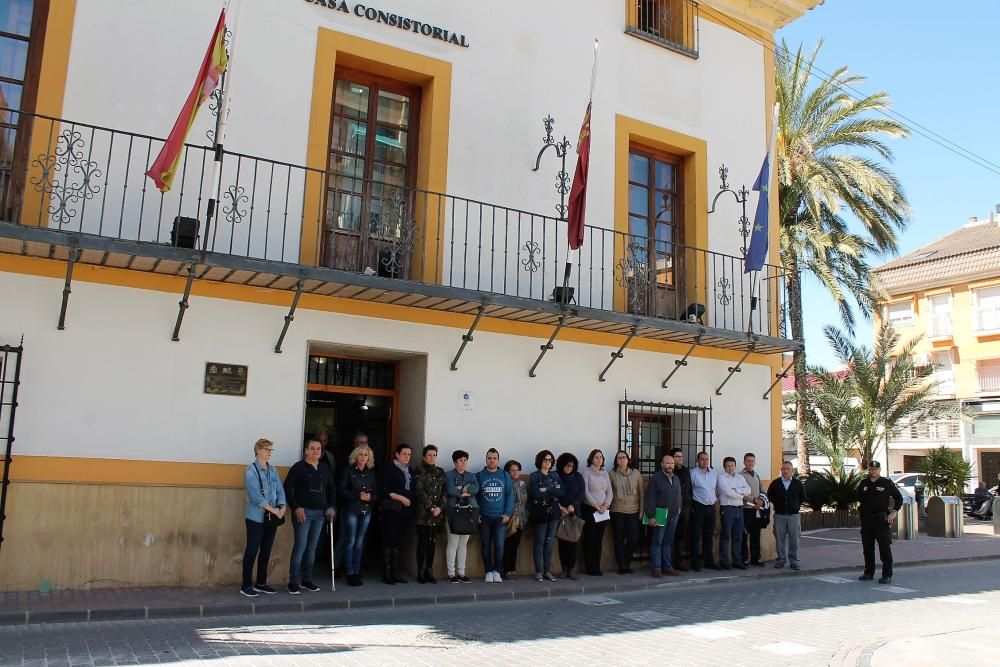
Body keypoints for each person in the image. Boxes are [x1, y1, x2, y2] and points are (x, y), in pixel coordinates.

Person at [284, 438, 337, 595]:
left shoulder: (325, 468)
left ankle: (307, 580)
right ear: (306, 451)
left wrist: (331, 506)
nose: (316, 451)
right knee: (300, 547)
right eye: (312, 448)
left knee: (312, 548)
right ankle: (293, 582)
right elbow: (287, 488)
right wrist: (296, 507)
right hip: (303, 513)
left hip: (320, 514)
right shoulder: (298, 467)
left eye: (318, 448)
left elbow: (331, 489)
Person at [240, 438, 286, 597]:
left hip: (271, 517)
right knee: (252, 551)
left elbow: (280, 490)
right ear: (258, 450)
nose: (269, 453)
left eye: (271, 450)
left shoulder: (273, 470)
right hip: (255, 518)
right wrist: (273, 510)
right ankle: (246, 585)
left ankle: (261, 582)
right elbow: (255, 497)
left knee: (266, 551)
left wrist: (282, 506)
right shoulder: (250, 471)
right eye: (267, 449)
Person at [858, 460, 903, 584]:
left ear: (879, 470)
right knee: (867, 548)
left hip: (881, 520)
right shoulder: (863, 483)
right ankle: (868, 572)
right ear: (869, 470)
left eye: (875, 469)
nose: (873, 471)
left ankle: (886, 574)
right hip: (867, 520)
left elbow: (898, 498)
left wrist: (894, 512)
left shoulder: (886, 483)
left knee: (884, 548)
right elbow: (860, 498)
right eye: (871, 469)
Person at [339, 443, 377, 587]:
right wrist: (357, 495)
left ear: (369, 458)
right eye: (360, 454)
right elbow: (342, 489)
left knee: (360, 542)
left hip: (366, 510)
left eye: (366, 455)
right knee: (350, 541)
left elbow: (376, 493)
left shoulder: (371, 473)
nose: (363, 457)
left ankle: (356, 570)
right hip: (351, 510)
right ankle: (349, 572)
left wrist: (370, 498)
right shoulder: (348, 471)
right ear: (355, 456)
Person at [380, 443, 416, 585]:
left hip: (405, 512)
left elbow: (413, 490)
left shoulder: (411, 471)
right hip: (392, 510)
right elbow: (385, 489)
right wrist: (401, 498)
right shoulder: (390, 469)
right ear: (397, 454)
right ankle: (386, 573)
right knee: (389, 541)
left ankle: (395, 573)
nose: (407, 457)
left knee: (398, 543)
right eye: (404, 454)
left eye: (409, 454)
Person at [477, 447, 514, 583]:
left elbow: (510, 496)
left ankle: (497, 571)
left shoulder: (504, 475)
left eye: (494, 458)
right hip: (485, 517)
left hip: (500, 518)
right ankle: (488, 571)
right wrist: (478, 513)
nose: (492, 460)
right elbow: (475, 496)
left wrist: (507, 514)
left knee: (499, 545)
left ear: (498, 460)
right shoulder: (479, 475)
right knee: (485, 544)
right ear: (486, 459)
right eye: (489, 458)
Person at [644, 452, 683, 577]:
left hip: (674, 515)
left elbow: (679, 495)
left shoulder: (676, 478)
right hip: (660, 513)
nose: (670, 465)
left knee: (668, 541)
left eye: (672, 463)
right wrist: (651, 516)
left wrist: (680, 507)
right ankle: (656, 568)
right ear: (662, 464)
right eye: (667, 463)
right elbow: (650, 497)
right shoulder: (656, 478)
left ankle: (667, 567)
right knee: (657, 542)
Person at [528, 449, 563, 582]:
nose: (548, 462)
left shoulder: (555, 475)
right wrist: (552, 489)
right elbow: (536, 493)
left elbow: (561, 492)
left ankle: (547, 571)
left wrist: (547, 489)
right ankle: (538, 571)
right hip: (540, 512)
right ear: (540, 461)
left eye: (550, 460)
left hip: (554, 511)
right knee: (540, 541)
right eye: (545, 460)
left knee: (549, 541)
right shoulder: (534, 476)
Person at [414, 444, 447, 584]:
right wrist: (431, 507)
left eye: (434, 455)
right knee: (422, 542)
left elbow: (444, 493)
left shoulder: (440, 472)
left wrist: (440, 507)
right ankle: (420, 571)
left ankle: (429, 570)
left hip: (436, 514)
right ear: (424, 456)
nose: (432, 457)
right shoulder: (419, 470)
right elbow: (419, 491)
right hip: (423, 514)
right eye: (429, 455)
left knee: (432, 542)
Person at [445, 450, 479, 583]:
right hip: (453, 511)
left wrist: (466, 490)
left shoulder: (471, 475)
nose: (463, 463)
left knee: (463, 544)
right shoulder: (449, 475)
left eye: (465, 460)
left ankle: (461, 572)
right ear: (455, 462)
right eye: (460, 460)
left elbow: (476, 488)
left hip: (469, 511)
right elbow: (451, 490)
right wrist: (464, 491)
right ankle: (451, 573)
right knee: (453, 543)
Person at [609, 450, 644, 575]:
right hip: (617, 511)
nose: (622, 459)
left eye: (624, 457)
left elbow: (641, 493)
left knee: (633, 539)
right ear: (616, 461)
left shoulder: (636, 474)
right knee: (618, 539)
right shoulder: (612, 474)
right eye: (619, 458)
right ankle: (622, 565)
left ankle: (627, 561)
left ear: (628, 460)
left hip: (633, 512)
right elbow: (608, 492)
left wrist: (642, 511)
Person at [767, 460, 806, 570]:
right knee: (779, 538)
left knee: (794, 539)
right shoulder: (775, 483)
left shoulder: (798, 484)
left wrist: (795, 505)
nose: (785, 471)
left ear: (792, 470)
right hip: (779, 516)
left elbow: (803, 497)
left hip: (794, 516)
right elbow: (770, 496)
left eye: (787, 469)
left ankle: (794, 561)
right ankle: (781, 559)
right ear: (781, 470)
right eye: (783, 469)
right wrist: (778, 503)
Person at [580, 449, 613, 576]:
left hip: (603, 510)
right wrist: (596, 505)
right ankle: (589, 567)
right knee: (590, 538)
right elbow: (586, 492)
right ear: (591, 459)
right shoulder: (586, 473)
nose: (599, 459)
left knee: (599, 539)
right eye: (596, 457)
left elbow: (610, 491)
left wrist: (606, 505)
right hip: (590, 509)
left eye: (601, 457)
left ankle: (597, 566)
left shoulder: (605, 473)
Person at [717, 456, 752, 570]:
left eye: (732, 465)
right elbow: (727, 492)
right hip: (727, 509)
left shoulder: (740, 477)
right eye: (728, 466)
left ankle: (737, 561)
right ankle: (724, 561)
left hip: (739, 509)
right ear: (724, 467)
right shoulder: (721, 478)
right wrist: (741, 495)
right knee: (726, 535)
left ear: (735, 466)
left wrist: (737, 492)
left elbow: (748, 490)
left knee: (738, 536)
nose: (730, 467)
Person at [689, 451, 719, 571]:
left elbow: (715, 489)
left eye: (707, 459)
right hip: (698, 507)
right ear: (698, 460)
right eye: (702, 459)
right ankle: (695, 563)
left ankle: (709, 561)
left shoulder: (713, 473)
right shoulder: (693, 473)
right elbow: (689, 490)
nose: (705, 461)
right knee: (696, 535)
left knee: (709, 535)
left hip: (711, 508)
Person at [556, 452, 584, 580]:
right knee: (562, 542)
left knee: (573, 541)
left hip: (574, 513)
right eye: (567, 465)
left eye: (571, 466)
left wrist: (573, 504)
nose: (569, 468)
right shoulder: (556, 477)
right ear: (561, 465)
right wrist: (561, 507)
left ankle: (572, 568)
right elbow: (553, 493)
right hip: (560, 513)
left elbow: (581, 493)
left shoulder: (578, 477)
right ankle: (564, 568)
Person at [503, 460, 529, 580]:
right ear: (507, 472)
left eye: (517, 470)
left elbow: (525, 502)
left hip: (521, 519)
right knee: (509, 545)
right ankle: (507, 569)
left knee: (515, 544)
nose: (515, 472)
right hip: (509, 519)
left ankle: (513, 569)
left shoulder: (523, 484)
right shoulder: (505, 484)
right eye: (512, 470)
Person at [739, 452, 765, 567]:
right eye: (748, 461)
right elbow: (741, 493)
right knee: (744, 536)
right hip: (745, 509)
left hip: (757, 510)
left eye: (752, 461)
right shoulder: (739, 476)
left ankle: (756, 558)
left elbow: (762, 490)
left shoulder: (757, 475)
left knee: (756, 535)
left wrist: (762, 501)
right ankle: (744, 559)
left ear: (755, 462)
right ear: (744, 462)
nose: (750, 463)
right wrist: (754, 500)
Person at [670, 448, 693, 572]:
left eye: (681, 456)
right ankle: (669, 562)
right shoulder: (669, 470)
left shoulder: (685, 470)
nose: (679, 458)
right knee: (670, 536)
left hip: (685, 508)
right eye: (677, 456)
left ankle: (678, 562)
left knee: (680, 535)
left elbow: (689, 487)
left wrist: (690, 502)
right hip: (672, 508)